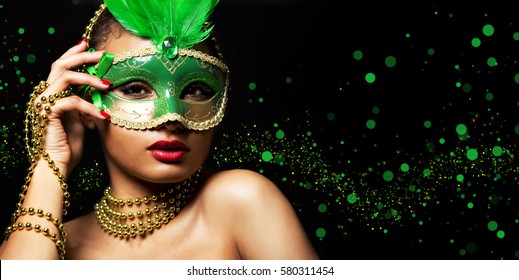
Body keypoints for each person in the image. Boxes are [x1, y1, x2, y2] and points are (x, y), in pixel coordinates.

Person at [0, 0, 318, 260]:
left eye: (195, 90)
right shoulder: (49, 244)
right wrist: (50, 161)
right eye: (137, 88)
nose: (173, 117)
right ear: (87, 107)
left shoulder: (241, 200)